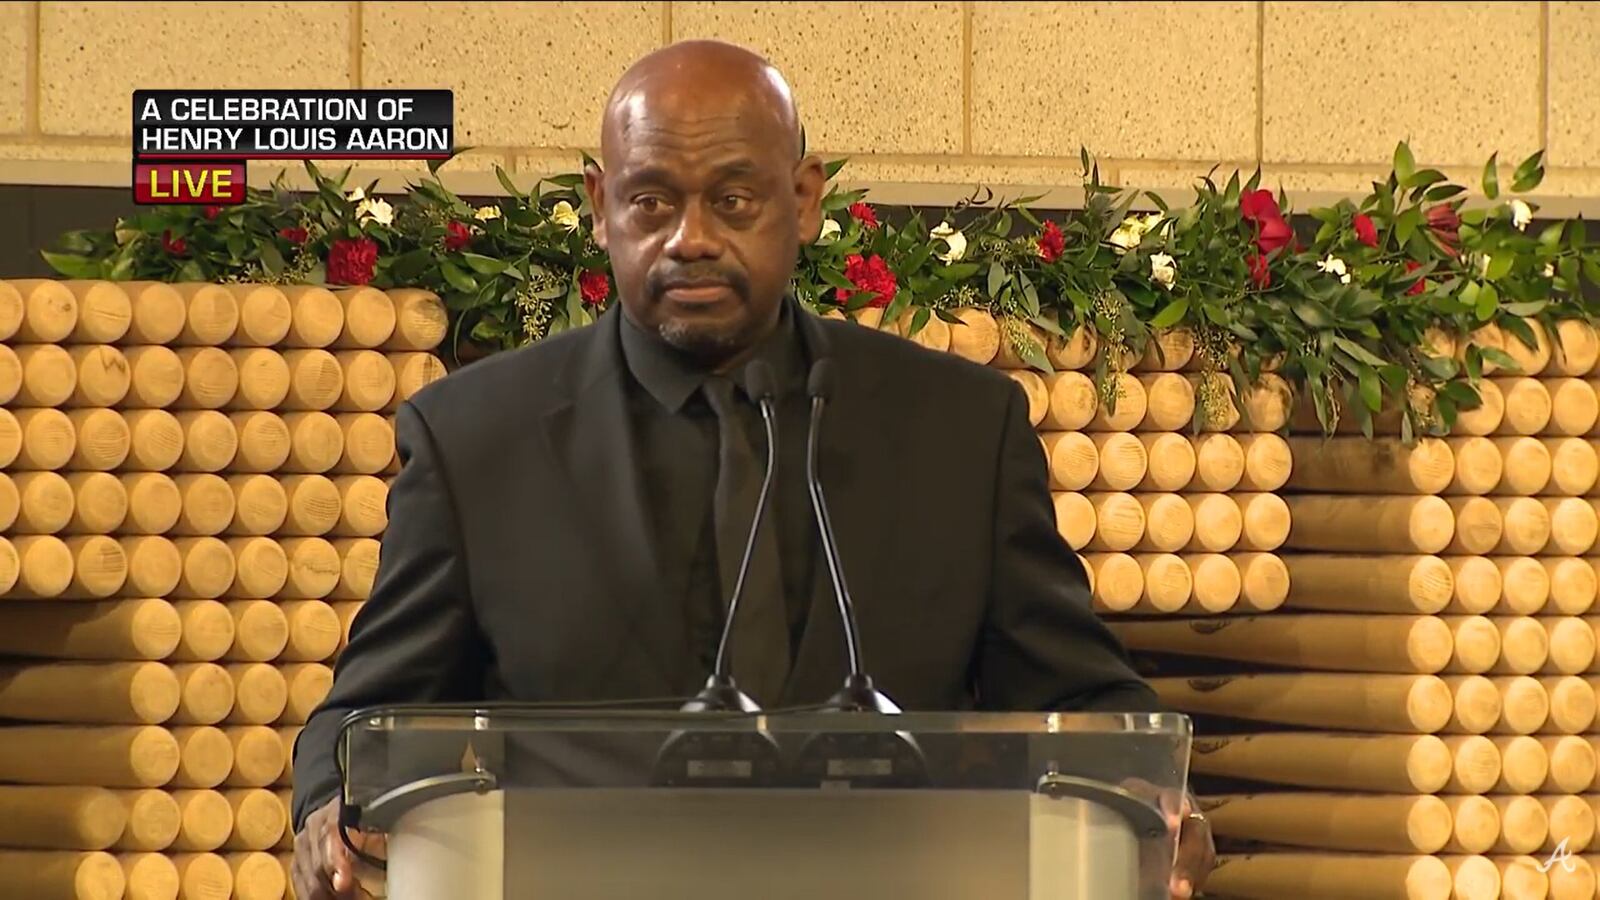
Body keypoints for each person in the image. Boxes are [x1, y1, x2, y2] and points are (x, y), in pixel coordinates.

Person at [291, 39, 1214, 900]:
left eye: (733, 199)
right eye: (652, 200)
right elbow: (367, 717)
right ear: (601, 202)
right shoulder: (475, 439)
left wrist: (1157, 801)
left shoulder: (961, 430)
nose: (690, 236)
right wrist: (331, 809)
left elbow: (1080, 698)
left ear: (805, 199)